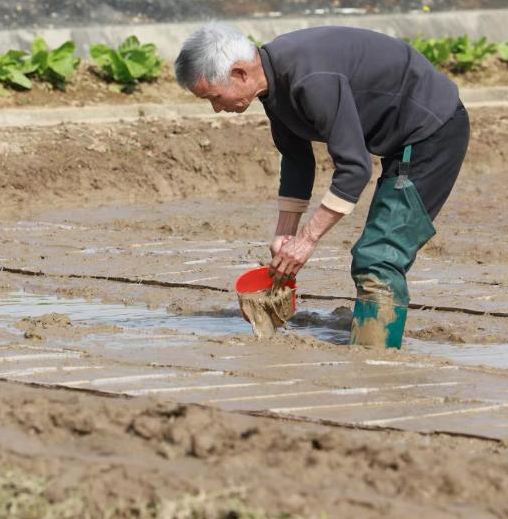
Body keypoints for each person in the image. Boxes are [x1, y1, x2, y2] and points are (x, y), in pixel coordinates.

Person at [174, 24, 469, 348]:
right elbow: (297, 160)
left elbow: (355, 168)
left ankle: (375, 360)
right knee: (376, 253)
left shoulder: (310, 79)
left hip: (431, 132)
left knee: (379, 256)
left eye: (214, 97)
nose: (217, 109)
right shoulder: (272, 83)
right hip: (399, 140)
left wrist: (307, 239)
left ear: (240, 73)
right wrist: (284, 236)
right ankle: (371, 344)